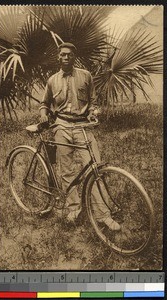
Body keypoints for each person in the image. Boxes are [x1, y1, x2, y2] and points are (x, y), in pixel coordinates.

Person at [40, 42, 120, 231]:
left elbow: (93, 101)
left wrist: (93, 111)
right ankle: (74, 209)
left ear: (74, 57)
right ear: (58, 57)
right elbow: (44, 103)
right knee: (66, 170)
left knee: (95, 167)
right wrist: (44, 114)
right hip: (61, 125)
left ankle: (103, 214)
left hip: (82, 126)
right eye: (62, 55)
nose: (65, 57)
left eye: (69, 54)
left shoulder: (85, 76)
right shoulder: (52, 80)